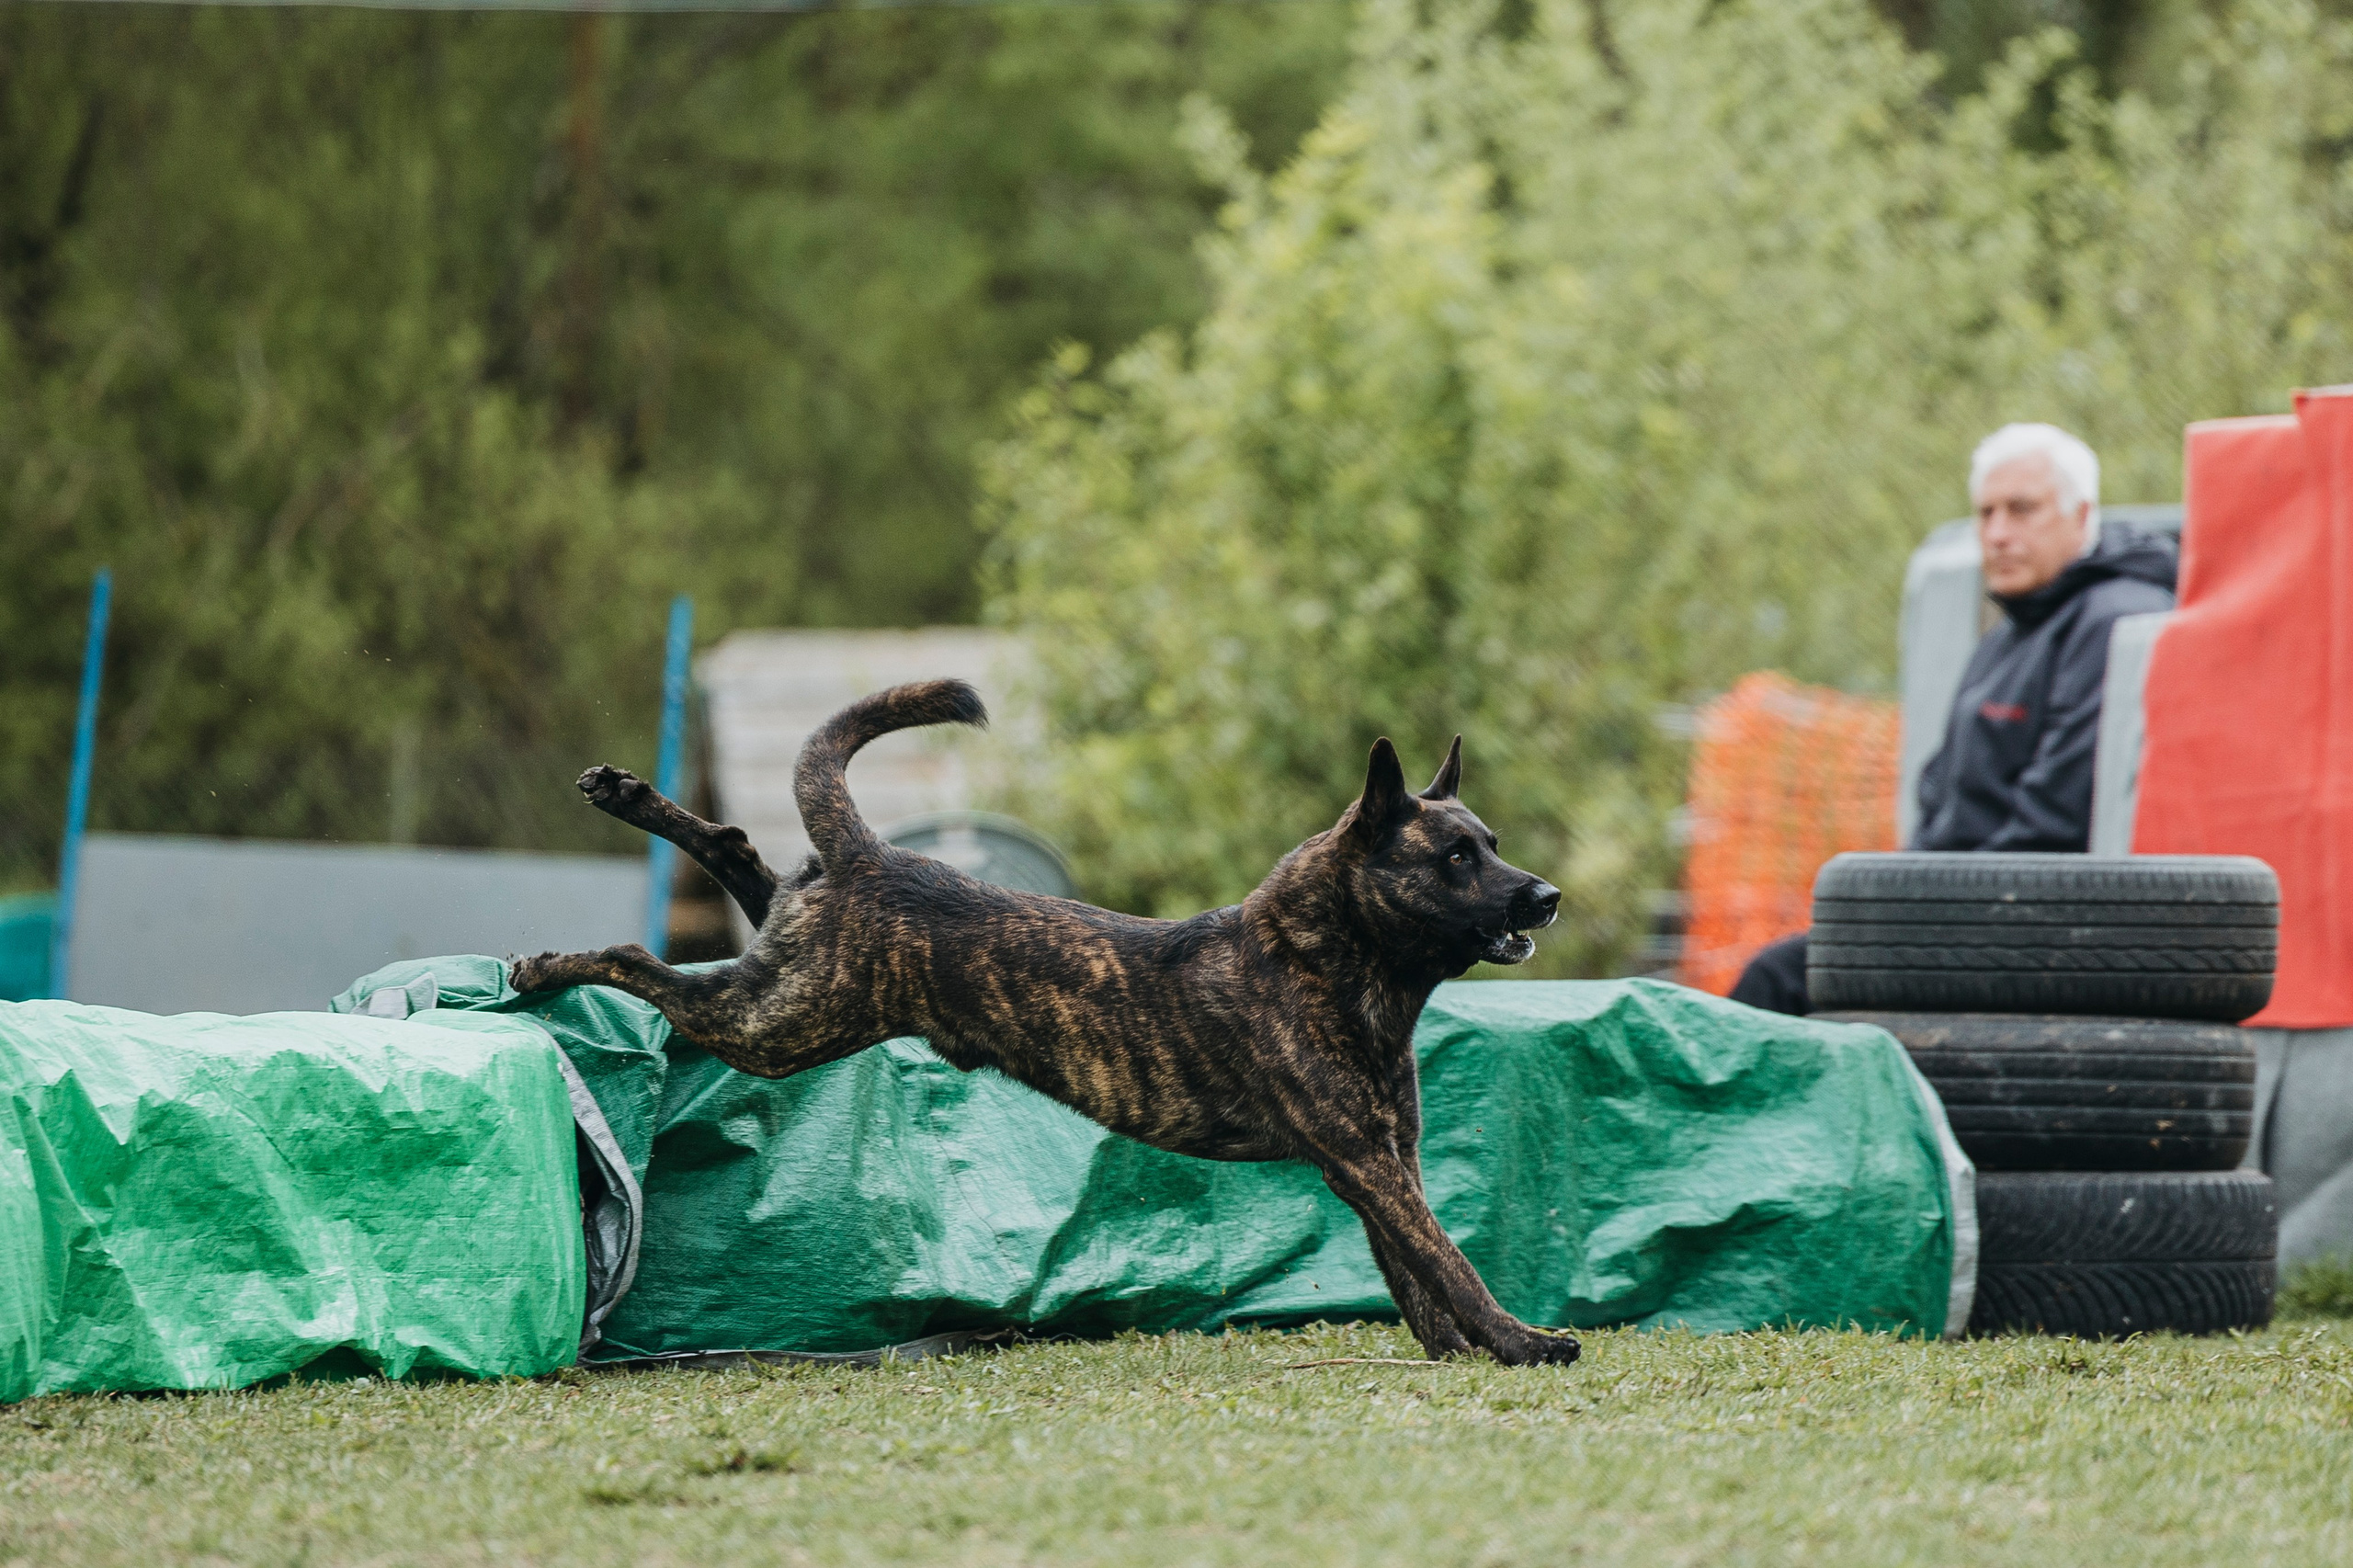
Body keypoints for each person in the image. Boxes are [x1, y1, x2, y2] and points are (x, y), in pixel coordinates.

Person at [1730, 422, 2179, 1015]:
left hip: (2028, 922)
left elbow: (2056, 824)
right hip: (1959, 905)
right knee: (1796, 957)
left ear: (2081, 515)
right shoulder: (2014, 632)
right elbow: (1941, 794)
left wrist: (1917, 908)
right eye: (1986, 513)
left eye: (2022, 511)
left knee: (1779, 981)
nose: (1997, 534)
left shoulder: (2111, 623)